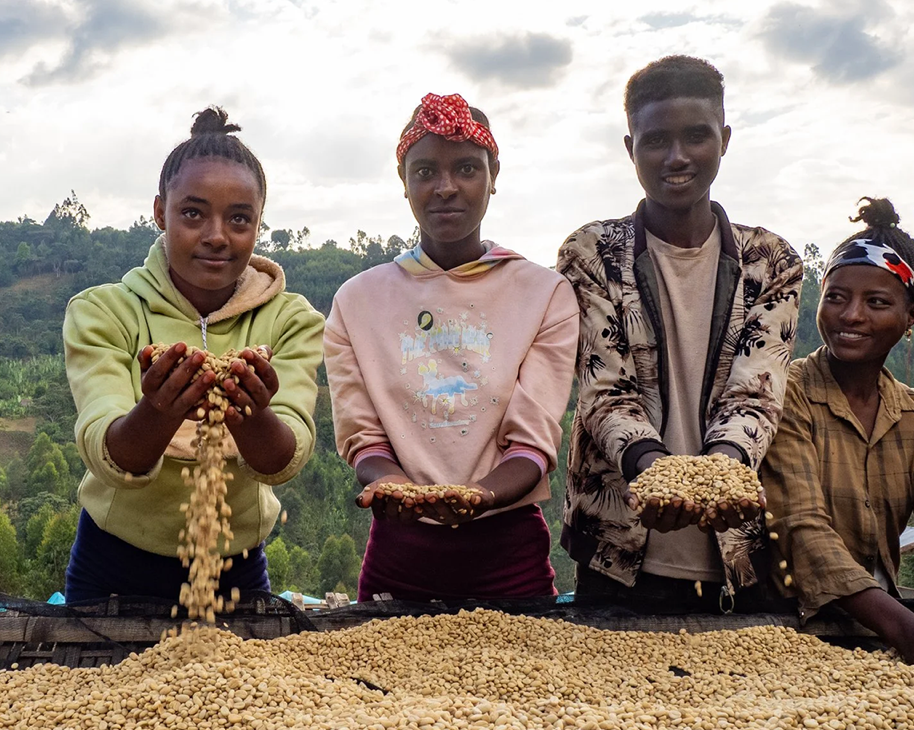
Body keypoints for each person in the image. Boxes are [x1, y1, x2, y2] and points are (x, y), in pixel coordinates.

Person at [557, 55, 802, 611]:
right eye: (656, 140)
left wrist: (718, 476)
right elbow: (605, 392)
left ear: (725, 138)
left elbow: (755, 395)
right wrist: (655, 472)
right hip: (616, 550)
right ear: (630, 149)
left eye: (697, 136)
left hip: (735, 552)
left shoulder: (771, 261)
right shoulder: (591, 253)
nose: (677, 157)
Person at [63, 107, 324, 605]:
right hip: (113, 562)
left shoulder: (292, 319)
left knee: (227, 684)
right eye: (192, 213)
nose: (216, 235)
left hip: (236, 572)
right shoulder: (103, 311)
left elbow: (284, 458)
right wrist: (158, 410)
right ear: (160, 212)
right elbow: (106, 448)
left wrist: (248, 413)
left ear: (259, 224)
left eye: (240, 218)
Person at [324, 92, 578, 603]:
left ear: (493, 175)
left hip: (510, 556)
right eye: (424, 172)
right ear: (404, 182)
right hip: (399, 555)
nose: (445, 188)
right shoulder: (358, 301)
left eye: (466, 168)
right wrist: (402, 489)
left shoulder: (543, 294)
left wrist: (477, 498)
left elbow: (532, 441)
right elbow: (363, 437)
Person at [760, 198, 914, 667]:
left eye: (877, 302)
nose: (851, 316)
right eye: (837, 297)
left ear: (910, 318)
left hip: (880, 634)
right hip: (785, 625)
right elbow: (802, 530)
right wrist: (905, 628)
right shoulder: (784, 394)